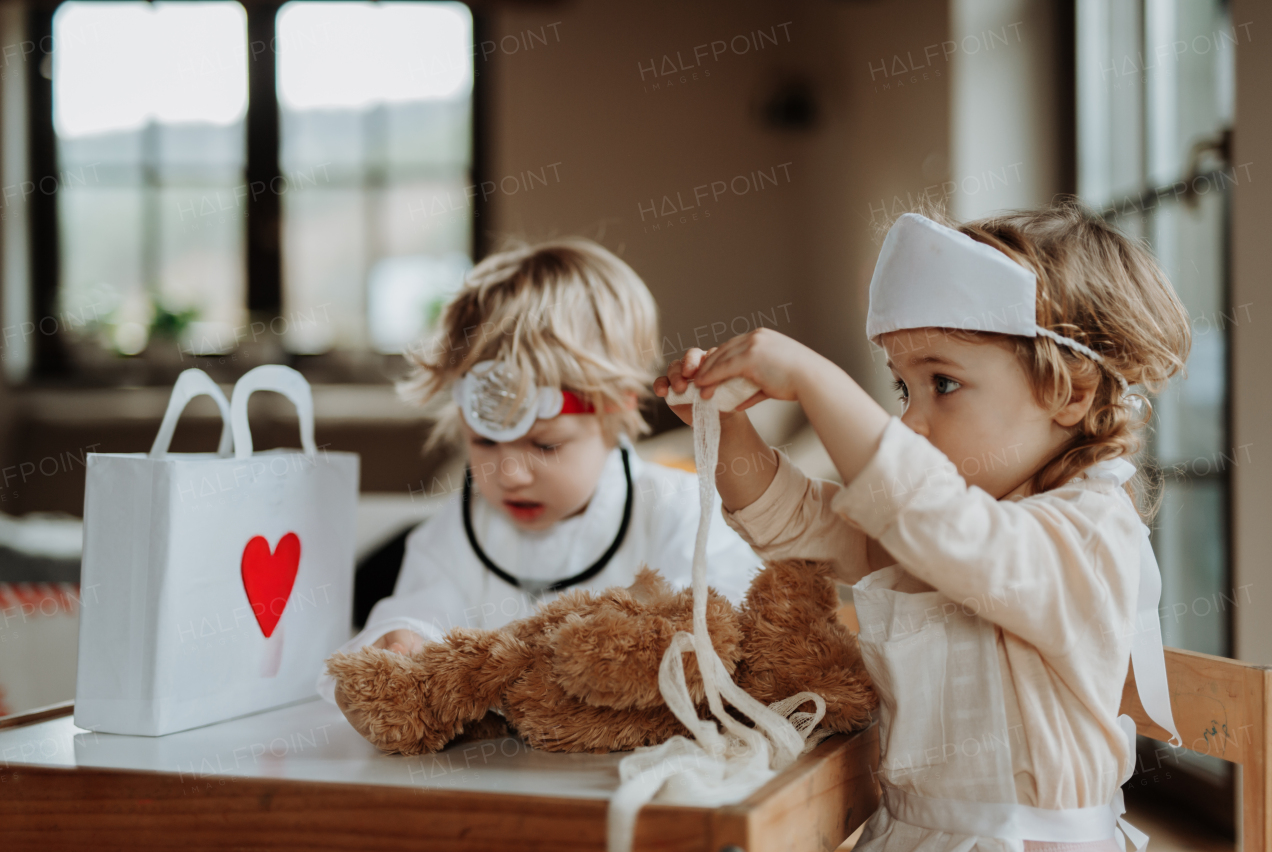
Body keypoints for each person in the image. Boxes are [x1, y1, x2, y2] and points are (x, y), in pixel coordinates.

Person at [655, 204, 1191, 851]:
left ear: (1071, 393)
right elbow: (799, 523)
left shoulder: (1089, 530)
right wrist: (724, 422)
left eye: (943, 383)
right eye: (902, 389)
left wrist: (816, 380)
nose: (909, 422)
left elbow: (954, 535)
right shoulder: (928, 531)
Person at [318, 238, 761, 706]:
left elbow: (724, 615)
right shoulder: (459, 529)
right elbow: (419, 611)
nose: (510, 474)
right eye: (484, 442)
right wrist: (404, 638)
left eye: (545, 445)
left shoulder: (678, 509)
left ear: (616, 410)